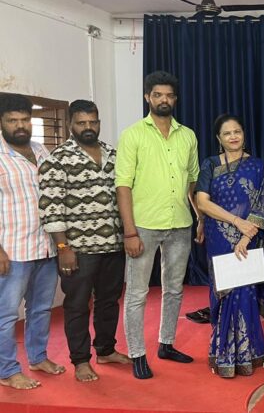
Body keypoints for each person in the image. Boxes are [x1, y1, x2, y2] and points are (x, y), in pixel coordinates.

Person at [38, 100, 131, 383]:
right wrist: (63, 247)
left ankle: (106, 350)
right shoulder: (58, 159)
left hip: (113, 245)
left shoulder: (113, 154)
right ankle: (80, 361)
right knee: (77, 305)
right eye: (81, 123)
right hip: (78, 250)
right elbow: (51, 206)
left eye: (93, 122)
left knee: (109, 301)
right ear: (70, 124)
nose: (88, 127)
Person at [115, 71, 200, 379]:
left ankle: (166, 343)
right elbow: (123, 185)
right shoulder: (133, 135)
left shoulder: (187, 135)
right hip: (143, 226)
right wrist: (129, 231)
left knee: (174, 289)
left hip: (180, 224)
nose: (164, 100)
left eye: (169, 95)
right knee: (137, 293)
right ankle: (137, 353)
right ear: (147, 97)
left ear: (175, 99)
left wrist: (199, 218)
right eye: (158, 95)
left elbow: (192, 181)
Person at [195, 114, 264, 378]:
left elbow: (263, 204)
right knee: (223, 293)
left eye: (237, 131)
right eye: (227, 133)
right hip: (218, 237)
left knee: (245, 292)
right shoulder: (210, 164)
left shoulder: (257, 166)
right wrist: (236, 222)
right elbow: (203, 202)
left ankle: (247, 353)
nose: (233, 136)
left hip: (248, 239)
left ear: (243, 134)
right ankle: (224, 355)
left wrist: (246, 236)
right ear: (219, 138)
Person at [0, 93, 65, 391]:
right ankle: (7, 371)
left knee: (40, 309)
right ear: (2, 123)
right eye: (12, 120)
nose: (20, 125)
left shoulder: (41, 150)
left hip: (46, 246)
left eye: (24, 119)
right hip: (12, 250)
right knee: (6, 315)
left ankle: (38, 358)